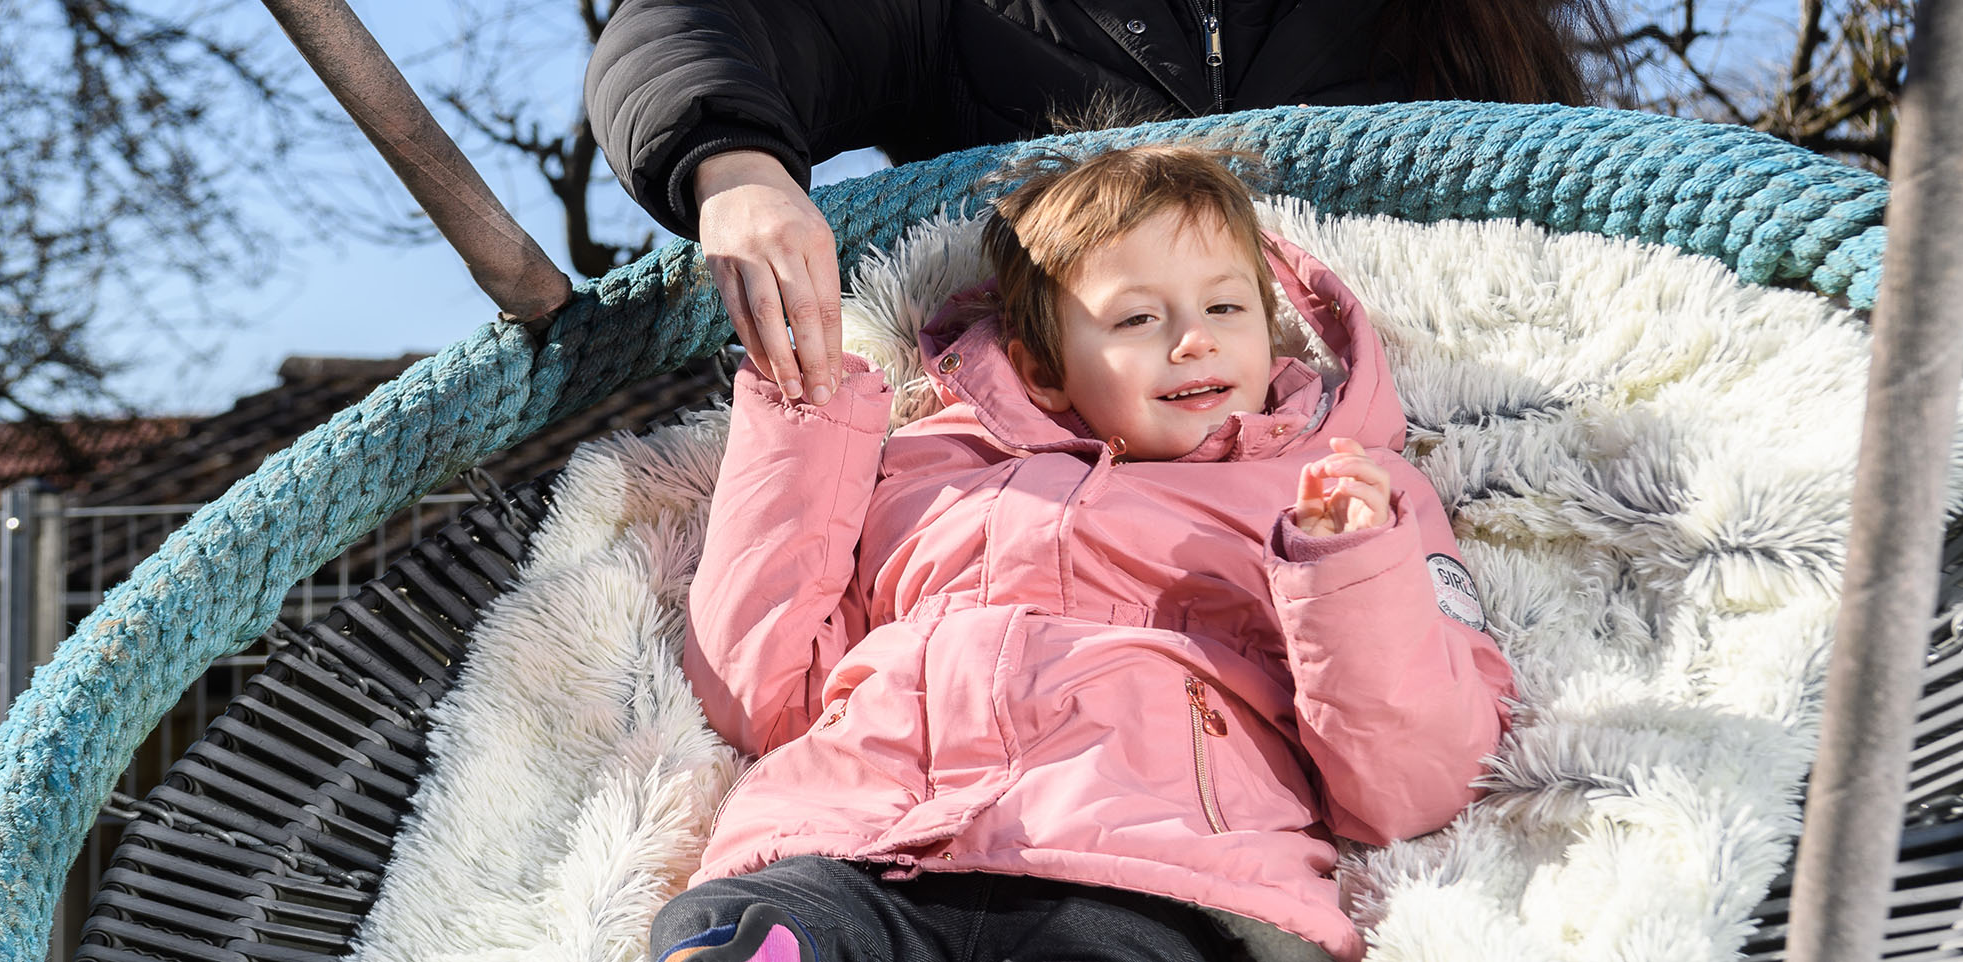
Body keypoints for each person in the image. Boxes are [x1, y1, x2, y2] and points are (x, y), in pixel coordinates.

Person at [660, 143, 1512, 962]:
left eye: (1225, 308)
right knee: (732, 924)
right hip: (861, 839)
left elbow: (1414, 787)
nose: (1194, 340)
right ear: (1042, 370)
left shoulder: (1341, 496)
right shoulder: (930, 473)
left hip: (1144, 870)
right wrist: (804, 427)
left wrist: (1348, 571)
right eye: (1138, 318)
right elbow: (759, 698)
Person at [585, 0, 1615, 413]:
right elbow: (699, 21)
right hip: (1079, 467)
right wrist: (736, 169)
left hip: (1412, 450)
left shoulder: (1454, 23)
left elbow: (1569, 221)